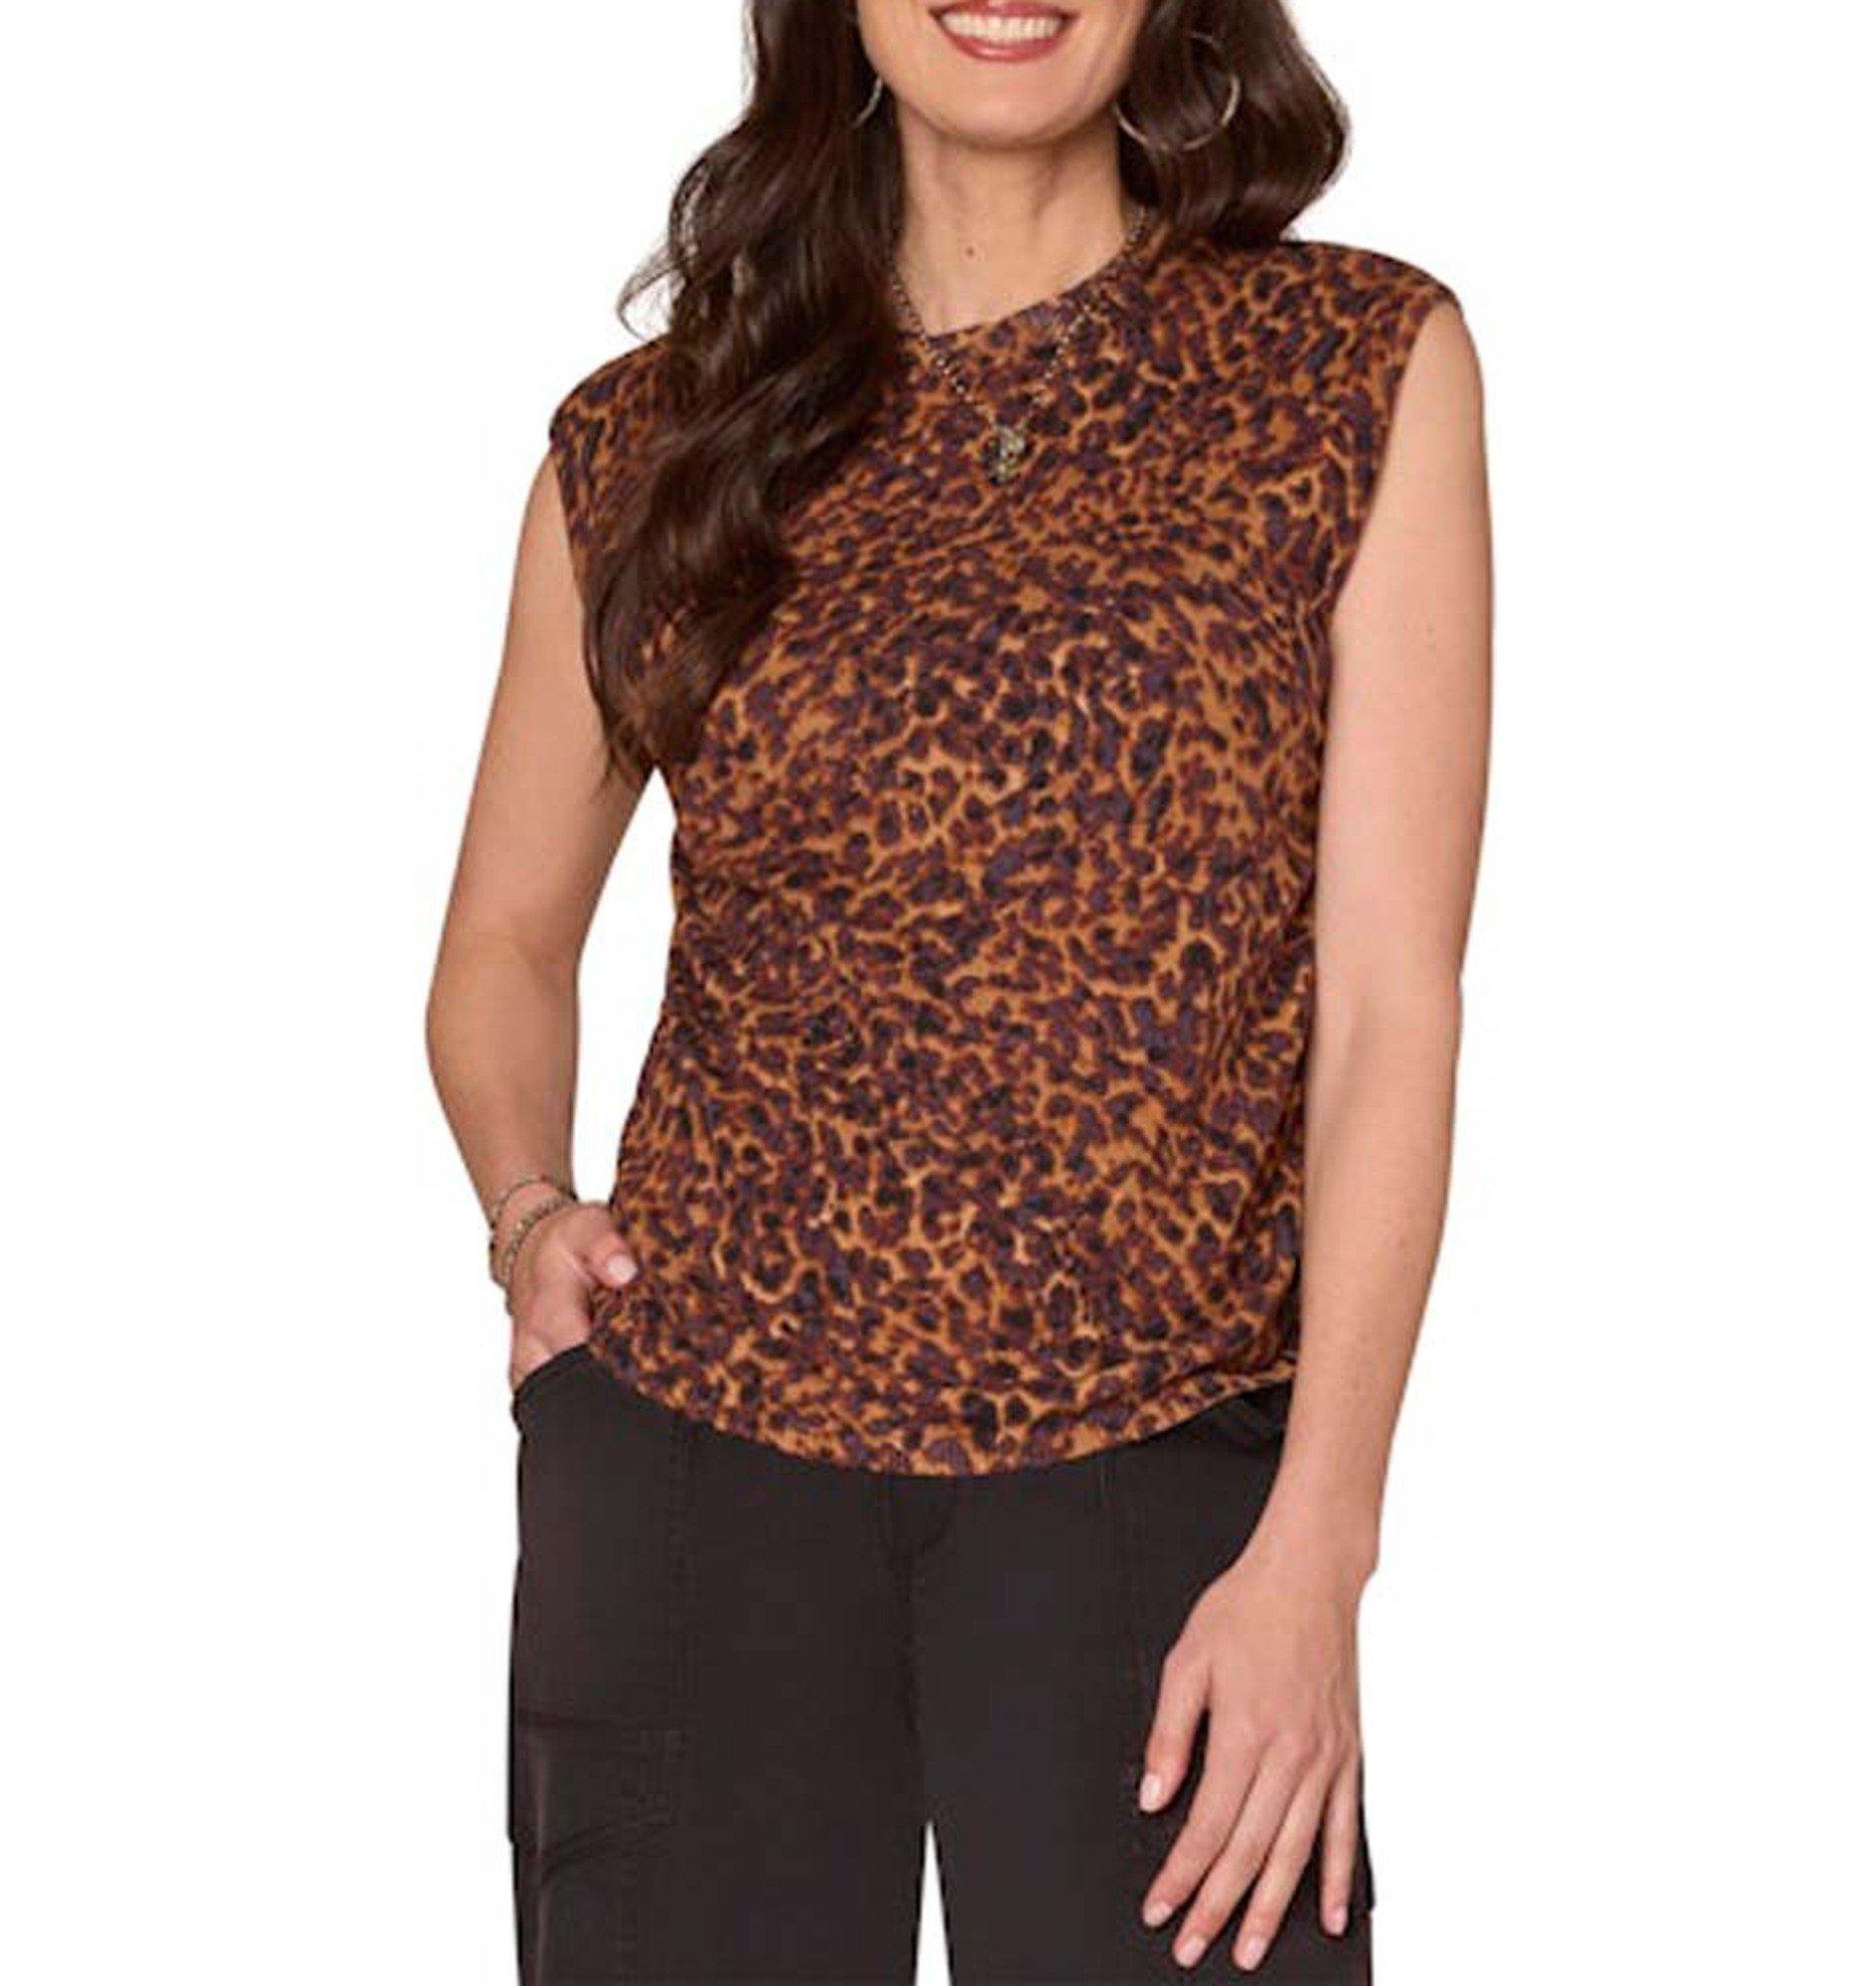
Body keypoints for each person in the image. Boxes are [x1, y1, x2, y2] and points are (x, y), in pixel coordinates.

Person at [427, 1, 1491, 1978]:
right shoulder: (656, 434)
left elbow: (1388, 1008)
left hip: (1166, 1468)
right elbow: (499, 941)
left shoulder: (1347, 365)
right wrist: (525, 1213)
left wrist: (1319, 1545)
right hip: (699, 1454)